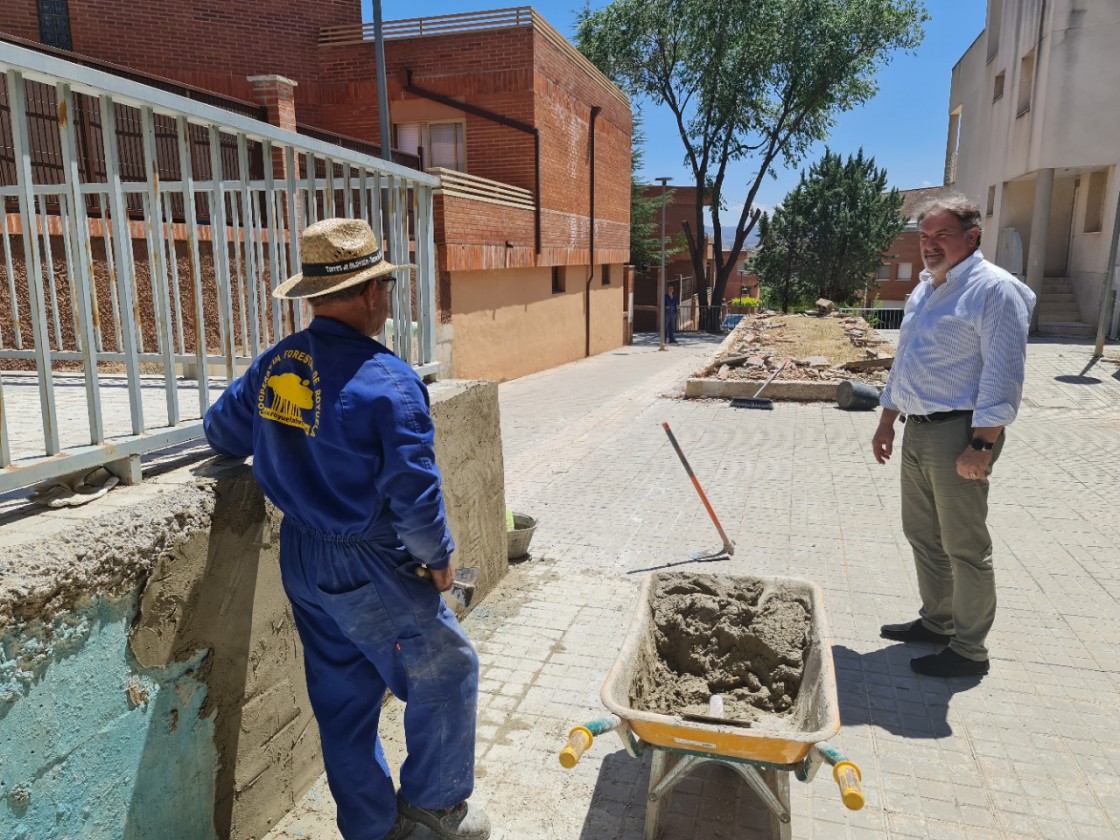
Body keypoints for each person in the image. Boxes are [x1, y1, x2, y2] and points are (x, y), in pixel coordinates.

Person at [204, 218, 490, 840]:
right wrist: (438, 558)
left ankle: (369, 827)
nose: (386, 297)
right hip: (369, 563)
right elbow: (415, 496)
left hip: (302, 555)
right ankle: (435, 812)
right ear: (371, 295)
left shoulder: (277, 363)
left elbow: (221, 433)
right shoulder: (389, 383)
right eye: (384, 286)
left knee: (342, 699)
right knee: (447, 670)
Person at [872, 195, 1035, 679]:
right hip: (918, 429)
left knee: (964, 545)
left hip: (961, 433)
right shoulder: (925, 290)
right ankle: (938, 620)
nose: (929, 246)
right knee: (922, 534)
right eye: (924, 237)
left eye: (941, 236)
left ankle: (968, 649)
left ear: (972, 237)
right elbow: (907, 363)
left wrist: (982, 445)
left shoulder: (995, 291)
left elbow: (1004, 376)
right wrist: (885, 422)